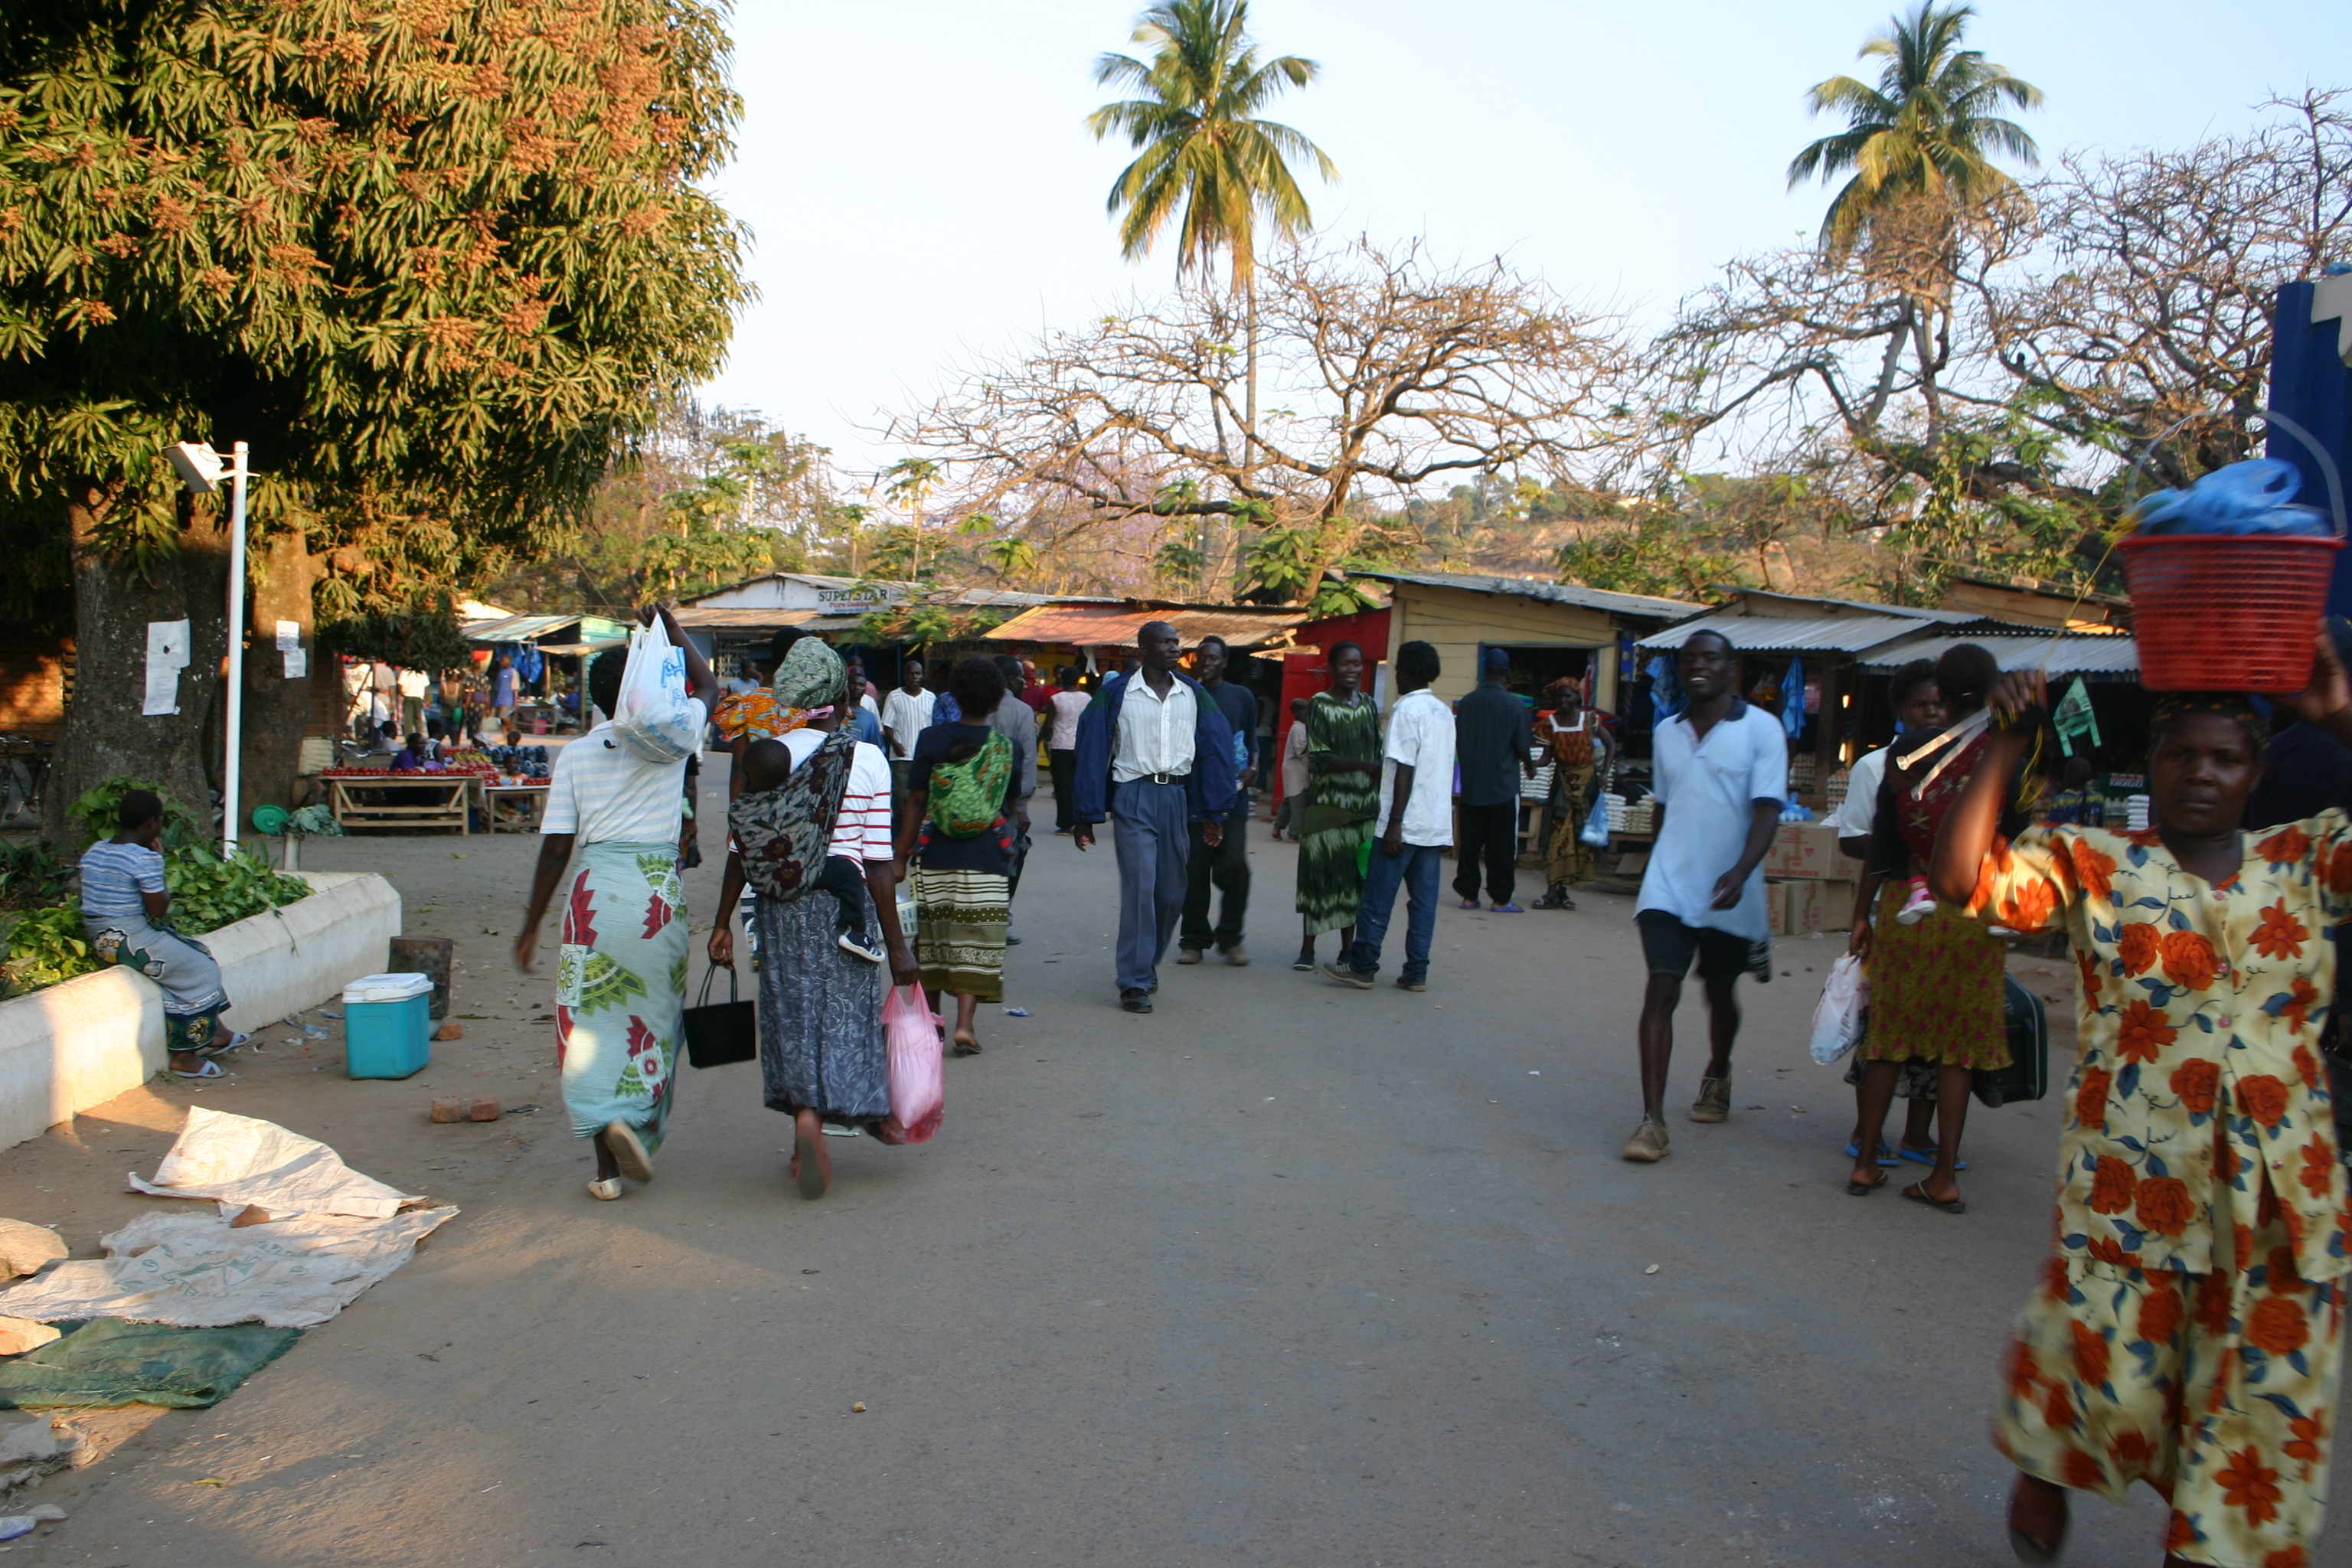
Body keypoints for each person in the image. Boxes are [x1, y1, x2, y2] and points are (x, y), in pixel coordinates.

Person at [1934, 639, 2352, 1568]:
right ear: (2153, 766)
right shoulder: (2097, 862)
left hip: (2284, 1203)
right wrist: (2006, 742)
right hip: (2135, 1182)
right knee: (2114, 1374)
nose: (2202, 772)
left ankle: (2206, 1544)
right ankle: (2051, 1458)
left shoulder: (2310, 858)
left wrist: (2337, 716)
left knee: (2256, 1417)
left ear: (2258, 772)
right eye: (2181, 754)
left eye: (2227, 757)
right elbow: (1964, 883)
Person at [514, 604, 719, 1201]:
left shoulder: (576, 755)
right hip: (658, 897)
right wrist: (670, 629)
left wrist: (529, 928)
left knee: (588, 1023)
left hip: (595, 898)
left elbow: (555, 852)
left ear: (599, 696)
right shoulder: (673, 744)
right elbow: (706, 684)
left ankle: (606, 1164)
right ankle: (637, 1119)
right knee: (650, 1019)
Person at [710, 639, 913, 1200]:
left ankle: (804, 1116)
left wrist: (722, 921)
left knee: (792, 1012)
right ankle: (839, 1113)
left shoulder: (768, 755)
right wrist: (897, 947)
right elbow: (877, 862)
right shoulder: (867, 758)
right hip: (845, 904)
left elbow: (741, 844)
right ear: (840, 696)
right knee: (843, 1014)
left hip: (780, 904)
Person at [1846, 644, 2014, 1210]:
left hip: (1904, 909)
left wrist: (1860, 916)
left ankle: (1867, 1162)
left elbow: (1883, 845)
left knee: (1888, 1039)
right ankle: (1943, 1174)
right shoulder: (2003, 755)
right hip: (1973, 915)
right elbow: (2016, 838)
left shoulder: (1901, 756)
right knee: (1957, 1050)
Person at [1621, 628, 1784, 1164]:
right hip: (1669, 884)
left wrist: (1740, 871)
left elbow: (1767, 810)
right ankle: (1653, 1122)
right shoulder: (1667, 732)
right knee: (1661, 989)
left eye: (1710, 658)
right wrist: (1652, 866)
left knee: (1719, 992)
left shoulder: (1762, 730)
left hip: (1730, 891)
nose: (1699, 667)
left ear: (1730, 667)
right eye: (1689, 659)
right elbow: (1665, 808)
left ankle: (1718, 1070)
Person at [1071, 620, 1239, 1014]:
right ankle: (1133, 981)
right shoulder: (1117, 692)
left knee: (1170, 894)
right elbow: (1093, 748)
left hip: (1176, 799)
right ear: (1143, 649)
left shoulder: (1193, 694)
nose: (1174, 648)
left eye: (1176, 642)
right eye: (1164, 642)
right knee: (1141, 888)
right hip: (1133, 795)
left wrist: (1214, 812)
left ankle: (1145, 961)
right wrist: (1086, 813)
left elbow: (1213, 751)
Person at [1831, 658, 1949, 1171]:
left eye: (1941, 704)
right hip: (1893, 909)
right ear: (1900, 708)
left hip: (1951, 914)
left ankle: (1919, 1135)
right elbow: (1854, 839)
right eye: (1922, 704)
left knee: (1937, 1032)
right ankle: (1868, 1131)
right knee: (1883, 1027)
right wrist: (1905, 842)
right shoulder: (1875, 768)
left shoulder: (1966, 764)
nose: (1933, 712)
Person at [897, 656, 1024, 1054]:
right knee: (977, 938)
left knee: (933, 940)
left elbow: (916, 801)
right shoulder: (1009, 748)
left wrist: (899, 856)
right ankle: (965, 1025)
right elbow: (1007, 802)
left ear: (954, 694)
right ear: (996, 700)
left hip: (935, 854)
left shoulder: (932, 740)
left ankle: (933, 1024)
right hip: (986, 856)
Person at [80, 789, 246, 1078]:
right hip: (131, 939)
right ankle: (186, 1056)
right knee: (203, 972)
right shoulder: (144, 859)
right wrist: (158, 862)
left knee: (199, 951)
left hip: (103, 937)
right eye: (159, 822)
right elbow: (159, 908)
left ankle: (218, 1032)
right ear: (151, 824)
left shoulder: (96, 850)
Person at [1321, 641, 1452, 992]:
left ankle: (1363, 966)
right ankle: (1416, 972)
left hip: (1404, 823)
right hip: (1434, 825)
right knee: (1423, 904)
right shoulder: (1444, 713)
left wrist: (1395, 822)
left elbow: (1404, 770)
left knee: (1378, 897)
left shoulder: (1407, 711)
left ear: (1405, 672)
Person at [1292, 642, 1382, 972]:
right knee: (1317, 876)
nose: (1352, 670)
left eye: (1357, 664)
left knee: (1353, 881)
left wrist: (1377, 779)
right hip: (1329, 807)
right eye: (1345, 664)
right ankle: (1307, 949)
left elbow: (1379, 751)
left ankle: (1348, 951)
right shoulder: (1319, 704)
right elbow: (1320, 760)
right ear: (1331, 667)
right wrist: (1364, 767)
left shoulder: (1370, 705)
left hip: (1363, 810)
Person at [1179, 634, 1259, 967]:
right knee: (1195, 875)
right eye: (1203, 657)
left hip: (1232, 800)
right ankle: (1194, 941)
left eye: (1214, 657)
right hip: (1194, 799)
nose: (1208, 662)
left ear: (1225, 661)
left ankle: (1230, 939)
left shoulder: (1241, 697)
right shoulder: (1185, 697)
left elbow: (1252, 741)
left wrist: (1254, 768)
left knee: (1235, 869)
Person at [1453, 647, 1536, 912]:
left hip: (1472, 785)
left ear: (1484, 671)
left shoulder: (1466, 703)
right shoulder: (1514, 705)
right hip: (1502, 786)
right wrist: (1530, 766)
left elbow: (1458, 742)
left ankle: (1469, 896)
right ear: (1507, 674)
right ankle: (1500, 899)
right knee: (1500, 847)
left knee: (1470, 844)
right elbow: (1523, 747)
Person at [1531, 678, 1612, 911]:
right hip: (1562, 785)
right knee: (1558, 835)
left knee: (1578, 838)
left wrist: (1605, 773)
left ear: (1577, 697)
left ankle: (1563, 892)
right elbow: (1548, 756)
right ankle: (1551, 891)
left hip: (1588, 785)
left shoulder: (1590, 720)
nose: (1564, 701)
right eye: (1559, 697)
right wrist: (1534, 764)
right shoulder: (1549, 724)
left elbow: (1610, 744)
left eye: (1568, 696)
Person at [1045, 666, 1090, 835]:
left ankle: (1065, 823)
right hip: (1080, 745)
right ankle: (1082, 819)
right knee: (1079, 783)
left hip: (1060, 746)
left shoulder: (1056, 699)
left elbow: (1048, 724)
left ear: (1062, 679)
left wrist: (1037, 740)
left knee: (1063, 786)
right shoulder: (1087, 698)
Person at [1273, 697, 1310, 841]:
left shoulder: (1303, 728)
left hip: (1300, 769)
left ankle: (1278, 827)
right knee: (1298, 802)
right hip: (1295, 770)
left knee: (1290, 801)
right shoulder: (1297, 728)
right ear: (1298, 713)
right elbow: (1299, 750)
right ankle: (1294, 833)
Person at [492, 653, 518, 723]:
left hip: (507, 700)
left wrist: (515, 702)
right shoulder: (501, 673)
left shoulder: (513, 672)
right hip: (499, 699)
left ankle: (514, 730)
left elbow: (515, 688)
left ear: (508, 661)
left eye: (503, 661)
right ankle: (505, 734)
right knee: (500, 720)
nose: (501, 662)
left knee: (503, 717)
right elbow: (498, 688)